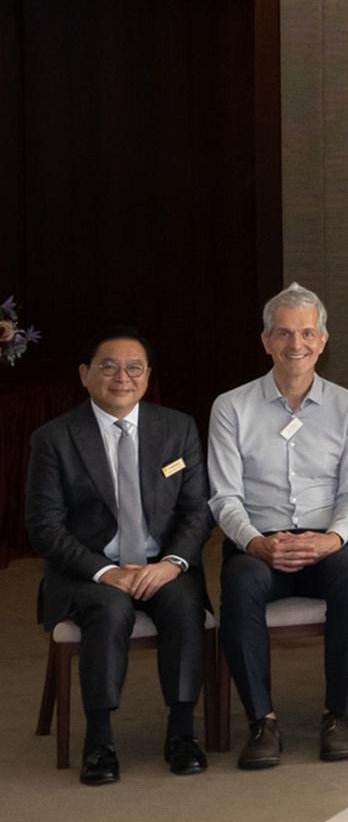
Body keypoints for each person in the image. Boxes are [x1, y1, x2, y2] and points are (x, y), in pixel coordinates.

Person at [24, 330, 213, 784]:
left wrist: (171, 564)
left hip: (160, 565)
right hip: (89, 571)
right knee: (109, 611)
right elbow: (44, 527)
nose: (122, 377)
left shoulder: (177, 428)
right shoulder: (55, 438)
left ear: (148, 377)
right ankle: (100, 739)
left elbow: (198, 511)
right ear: (85, 375)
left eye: (135, 367)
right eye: (108, 366)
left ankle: (182, 731)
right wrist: (105, 571)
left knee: (185, 605)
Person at [207, 286, 348, 767]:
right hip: (260, 544)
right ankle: (263, 722)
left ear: (323, 340)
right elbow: (224, 495)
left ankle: (338, 716)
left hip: (328, 541)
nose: (294, 344)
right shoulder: (231, 407)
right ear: (265, 341)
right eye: (283, 333)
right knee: (239, 582)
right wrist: (257, 543)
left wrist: (332, 539)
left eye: (306, 333)